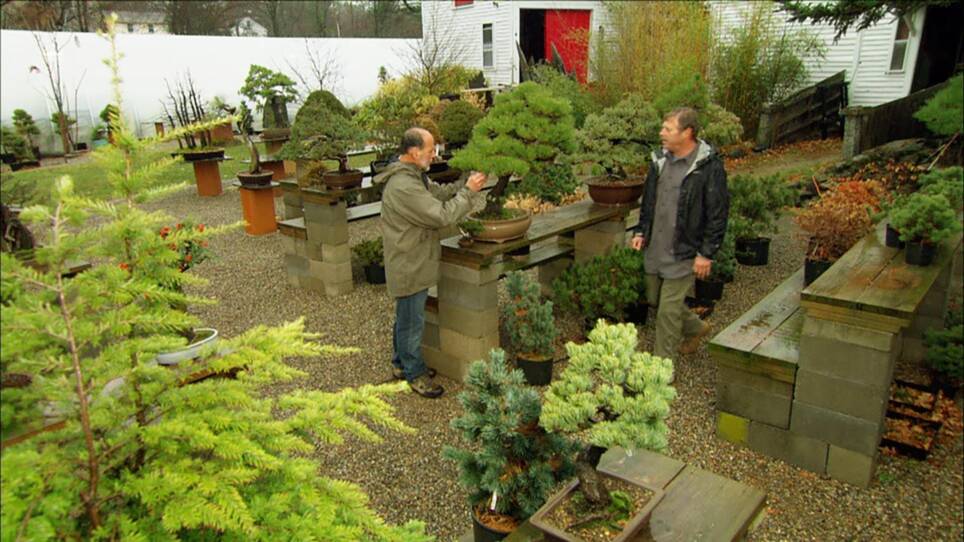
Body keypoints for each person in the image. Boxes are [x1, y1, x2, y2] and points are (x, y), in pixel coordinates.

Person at [374, 127, 487, 398]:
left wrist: (466, 182)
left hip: (413, 258)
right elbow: (441, 216)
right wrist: (469, 193)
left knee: (406, 316)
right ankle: (414, 374)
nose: (434, 155)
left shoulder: (414, 176)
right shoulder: (404, 186)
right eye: (430, 149)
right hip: (410, 261)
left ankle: (401, 364)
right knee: (412, 321)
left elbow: (441, 193)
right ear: (414, 152)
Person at [631, 107, 729, 360]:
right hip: (656, 246)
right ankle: (697, 328)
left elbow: (718, 213)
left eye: (668, 129)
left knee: (667, 312)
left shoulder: (708, 168)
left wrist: (706, 254)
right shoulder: (659, 160)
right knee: (655, 299)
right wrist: (641, 230)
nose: (661, 133)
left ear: (687, 132)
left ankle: (661, 371)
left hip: (685, 250)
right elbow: (649, 199)